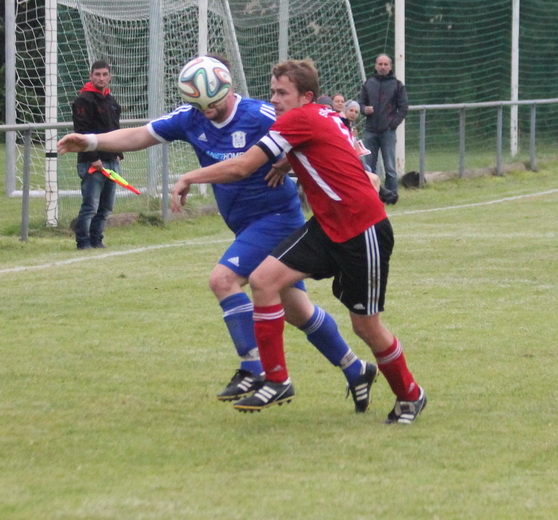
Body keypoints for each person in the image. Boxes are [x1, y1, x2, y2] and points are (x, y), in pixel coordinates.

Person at [58, 55, 379, 414]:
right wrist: (89, 141)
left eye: (212, 104)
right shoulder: (190, 117)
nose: (207, 112)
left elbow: (316, 130)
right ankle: (356, 368)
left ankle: (256, 370)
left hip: (276, 218)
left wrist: (350, 168)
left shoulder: (260, 114)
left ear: (228, 89)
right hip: (244, 223)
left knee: (223, 280)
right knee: (296, 310)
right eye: (200, 106)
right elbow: (140, 134)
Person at [170, 59, 426, 424]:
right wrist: (288, 164)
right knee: (263, 280)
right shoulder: (324, 114)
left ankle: (410, 395)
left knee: (366, 326)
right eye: (272, 92)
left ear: (305, 96)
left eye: (282, 93)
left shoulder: (296, 120)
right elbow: (332, 150)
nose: (273, 99)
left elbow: (242, 166)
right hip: (327, 226)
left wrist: (189, 177)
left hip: (362, 229)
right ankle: (276, 379)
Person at [72, 60, 123, 249]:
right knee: (90, 206)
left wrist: (118, 153)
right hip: (92, 162)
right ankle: (83, 242)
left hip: (111, 160)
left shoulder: (111, 101)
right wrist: (94, 158)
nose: (101, 78)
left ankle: (97, 239)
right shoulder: (83, 100)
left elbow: (115, 130)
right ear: (91, 76)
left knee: (106, 207)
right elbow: (82, 132)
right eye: (97, 74)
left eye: (104, 74)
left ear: (110, 76)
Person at [358, 54, 408, 196]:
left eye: (386, 64)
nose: (383, 67)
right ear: (375, 65)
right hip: (370, 131)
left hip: (388, 132)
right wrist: (364, 109)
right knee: (369, 166)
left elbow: (403, 107)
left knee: (390, 167)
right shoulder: (368, 84)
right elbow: (360, 104)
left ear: (390, 66)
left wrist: (393, 124)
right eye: (380, 64)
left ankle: (392, 194)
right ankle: (371, 194)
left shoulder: (397, 85)